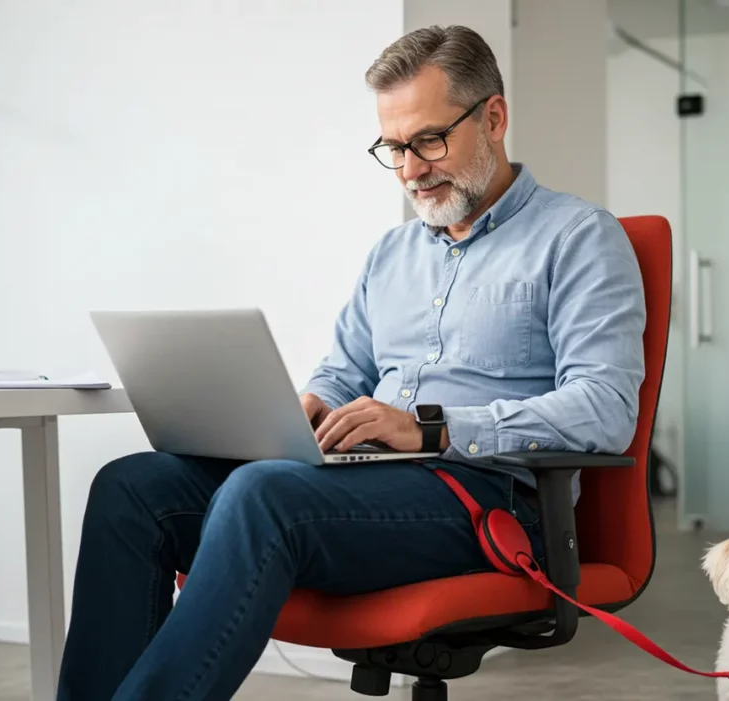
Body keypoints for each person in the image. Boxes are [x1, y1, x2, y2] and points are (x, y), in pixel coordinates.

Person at [56, 24, 646, 701]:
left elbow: (606, 410)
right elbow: (343, 371)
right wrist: (311, 402)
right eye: (393, 148)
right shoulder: (392, 254)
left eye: (428, 140)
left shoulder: (577, 238)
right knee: (133, 489)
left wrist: (430, 428)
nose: (411, 169)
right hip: (370, 487)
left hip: (489, 501)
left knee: (262, 495)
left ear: (494, 117)